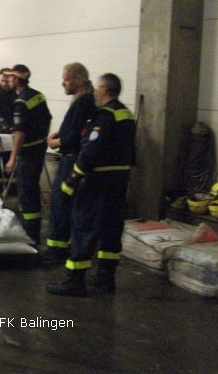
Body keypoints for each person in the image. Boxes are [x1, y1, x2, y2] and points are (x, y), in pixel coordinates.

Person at [47, 73, 136, 297]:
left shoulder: (104, 116)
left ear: (104, 90)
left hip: (98, 182)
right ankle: (105, 280)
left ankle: (74, 281)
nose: (95, 92)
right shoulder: (126, 114)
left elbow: (91, 151)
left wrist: (73, 177)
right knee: (110, 230)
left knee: (83, 228)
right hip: (119, 181)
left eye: (97, 89)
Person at [43, 63, 96, 263]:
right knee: (65, 204)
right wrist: (61, 133)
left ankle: (56, 251)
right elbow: (77, 127)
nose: (62, 83)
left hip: (71, 159)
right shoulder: (84, 100)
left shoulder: (84, 101)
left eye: (66, 79)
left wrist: (59, 141)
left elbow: (77, 134)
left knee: (60, 203)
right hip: (74, 158)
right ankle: (62, 247)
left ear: (78, 80)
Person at [5, 64, 52, 244]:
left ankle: (30, 236)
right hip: (39, 149)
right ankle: (33, 232)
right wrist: (42, 139)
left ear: (17, 80)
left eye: (10, 77)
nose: (8, 80)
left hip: (28, 153)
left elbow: (20, 133)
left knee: (26, 193)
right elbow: (48, 119)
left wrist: (12, 158)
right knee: (32, 189)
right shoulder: (38, 96)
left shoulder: (21, 102)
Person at [0, 67, 17, 195]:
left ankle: (12, 188)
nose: (6, 83)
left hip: (13, 134)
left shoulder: (14, 94)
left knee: (10, 161)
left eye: (8, 80)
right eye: (4, 80)